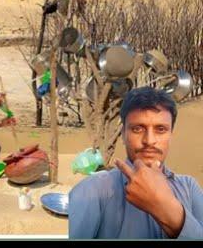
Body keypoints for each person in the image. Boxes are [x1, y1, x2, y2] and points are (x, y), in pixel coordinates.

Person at [69, 87, 203, 239]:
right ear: (123, 135)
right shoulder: (93, 190)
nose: (149, 141)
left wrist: (165, 209)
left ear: (171, 135)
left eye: (160, 129)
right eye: (137, 129)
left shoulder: (189, 188)